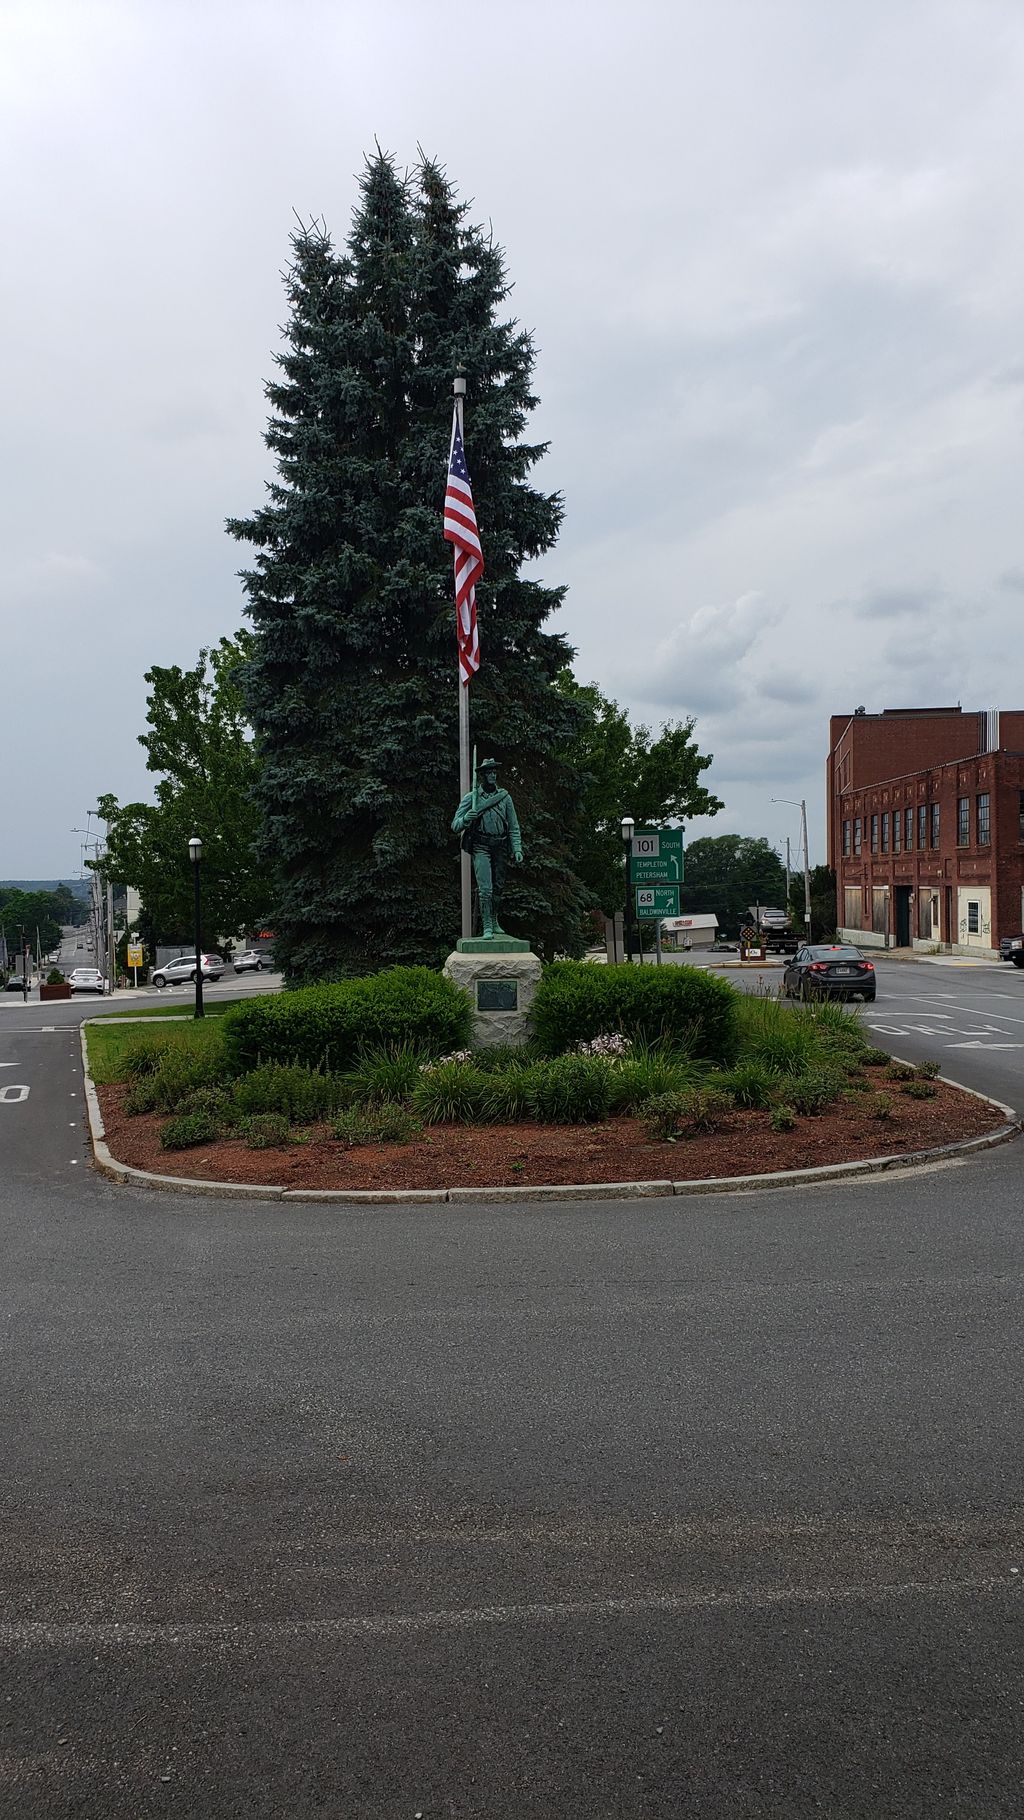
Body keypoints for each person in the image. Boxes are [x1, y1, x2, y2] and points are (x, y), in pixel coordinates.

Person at [451, 757, 523, 938]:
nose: (492, 775)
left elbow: (513, 826)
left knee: (498, 887)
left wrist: (517, 848)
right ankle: (487, 927)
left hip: (500, 846)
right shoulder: (472, 798)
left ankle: (494, 918)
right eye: (488, 772)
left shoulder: (505, 798)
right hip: (481, 845)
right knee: (486, 888)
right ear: (482, 776)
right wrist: (467, 817)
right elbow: (455, 825)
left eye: (494, 772)